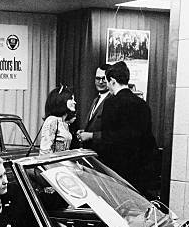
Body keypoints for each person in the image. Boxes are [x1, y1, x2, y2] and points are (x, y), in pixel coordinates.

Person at [82, 61, 156, 193]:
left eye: (107, 81)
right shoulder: (142, 104)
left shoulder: (111, 103)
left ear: (112, 81)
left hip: (118, 167)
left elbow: (109, 138)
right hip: (141, 168)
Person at [77, 64, 112, 149]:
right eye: (98, 78)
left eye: (104, 79)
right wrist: (85, 132)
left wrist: (90, 135)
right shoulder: (96, 99)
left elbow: (112, 134)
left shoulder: (113, 101)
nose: (100, 82)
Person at [39, 85, 76, 154]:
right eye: (71, 99)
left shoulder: (64, 122)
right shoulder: (52, 120)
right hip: (54, 163)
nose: (74, 102)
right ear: (62, 99)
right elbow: (45, 151)